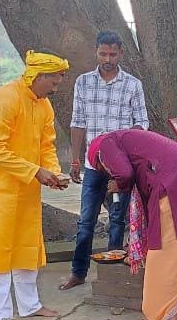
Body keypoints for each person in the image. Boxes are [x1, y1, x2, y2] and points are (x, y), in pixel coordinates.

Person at [0, 51, 70, 320]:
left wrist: (54, 173)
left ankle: (30, 305)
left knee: (26, 248)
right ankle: (3, 315)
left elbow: (47, 145)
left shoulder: (44, 105)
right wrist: (35, 171)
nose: (56, 88)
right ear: (38, 76)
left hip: (26, 189)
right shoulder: (6, 98)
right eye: (54, 82)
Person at [87, 129, 177, 320]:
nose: (107, 173)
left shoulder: (104, 145)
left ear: (97, 160)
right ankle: (169, 315)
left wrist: (119, 184)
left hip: (173, 183)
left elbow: (125, 173)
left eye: (104, 170)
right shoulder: (128, 139)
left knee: (164, 257)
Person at [59, 30, 149, 291]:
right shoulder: (83, 83)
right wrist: (74, 159)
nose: (107, 58)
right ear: (95, 52)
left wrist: (128, 154)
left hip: (120, 167)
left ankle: (113, 277)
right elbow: (78, 122)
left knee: (118, 219)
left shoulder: (132, 85)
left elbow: (141, 123)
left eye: (112, 53)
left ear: (121, 53)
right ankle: (78, 272)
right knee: (86, 220)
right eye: (103, 53)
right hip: (92, 165)